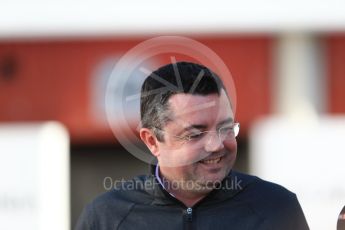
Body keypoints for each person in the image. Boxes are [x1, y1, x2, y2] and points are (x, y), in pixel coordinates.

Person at [75, 61, 309, 230]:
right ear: (152, 141)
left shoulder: (276, 208)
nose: (216, 145)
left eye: (225, 128)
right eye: (195, 134)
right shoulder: (106, 217)